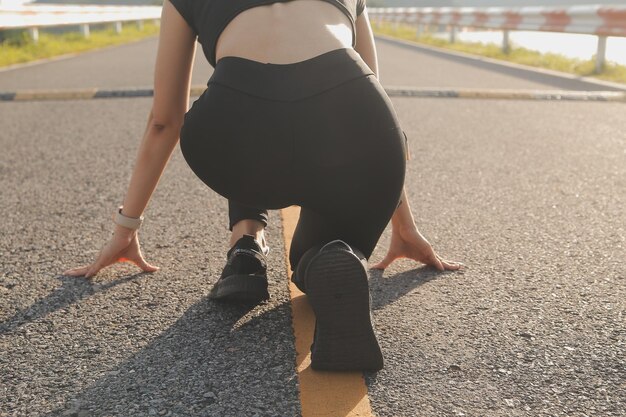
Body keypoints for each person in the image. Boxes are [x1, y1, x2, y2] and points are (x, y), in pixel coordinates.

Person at [64, 0, 461, 371]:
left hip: (239, 140)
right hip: (351, 123)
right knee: (323, 252)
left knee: (248, 119)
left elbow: (164, 121)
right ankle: (320, 260)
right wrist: (403, 225)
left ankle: (246, 248)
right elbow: (375, 108)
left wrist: (126, 228)